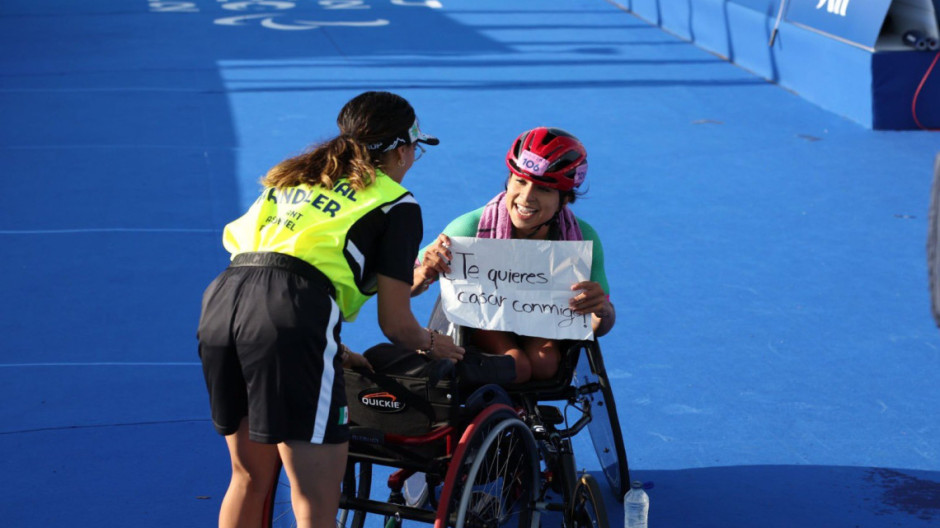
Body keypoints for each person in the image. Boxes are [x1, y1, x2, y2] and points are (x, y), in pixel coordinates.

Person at [197, 91, 464, 528]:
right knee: (315, 498)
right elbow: (396, 326)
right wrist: (436, 344)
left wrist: (332, 350)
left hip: (223, 301)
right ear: (401, 150)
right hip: (290, 313)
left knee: (248, 478)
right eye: (415, 150)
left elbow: (279, 272)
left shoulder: (292, 180)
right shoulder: (395, 202)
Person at [413, 127, 614, 383]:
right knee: (516, 365)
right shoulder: (468, 229)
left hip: (540, 320)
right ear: (509, 179)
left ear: (565, 200)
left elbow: (600, 327)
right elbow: (403, 286)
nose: (526, 197)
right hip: (479, 323)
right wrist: (424, 272)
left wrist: (602, 310)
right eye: (520, 181)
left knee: (545, 364)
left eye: (543, 189)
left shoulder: (584, 239)